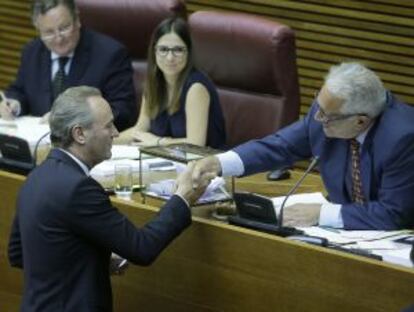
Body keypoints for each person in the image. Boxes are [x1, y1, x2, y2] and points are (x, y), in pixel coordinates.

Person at [8, 86, 211, 311]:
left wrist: (96, 262)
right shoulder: (79, 189)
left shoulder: (36, 176)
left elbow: (19, 254)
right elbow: (141, 248)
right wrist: (182, 198)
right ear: (79, 134)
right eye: (108, 125)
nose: (116, 132)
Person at [192, 62, 414, 230]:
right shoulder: (328, 111)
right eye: (318, 104)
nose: (317, 118)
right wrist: (218, 163)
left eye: (327, 116)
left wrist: (322, 214)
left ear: (360, 121)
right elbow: (279, 146)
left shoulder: (402, 139)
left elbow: (393, 214)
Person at [0, 0, 137, 131]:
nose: (58, 38)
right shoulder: (32, 51)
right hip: (38, 142)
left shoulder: (110, 54)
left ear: (77, 20)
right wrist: (14, 104)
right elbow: (19, 90)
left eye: (64, 28)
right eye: (49, 32)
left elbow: (123, 110)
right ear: (38, 29)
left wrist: (72, 119)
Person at [116, 17, 226, 149]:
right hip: (167, 161)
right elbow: (139, 131)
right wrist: (102, 142)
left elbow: (196, 144)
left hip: (205, 163)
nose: (170, 58)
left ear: (188, 52)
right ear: (154, 51)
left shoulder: (196, 88)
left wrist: (158, 141)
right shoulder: (154, 83)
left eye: (178, 50)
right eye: (163, 49)